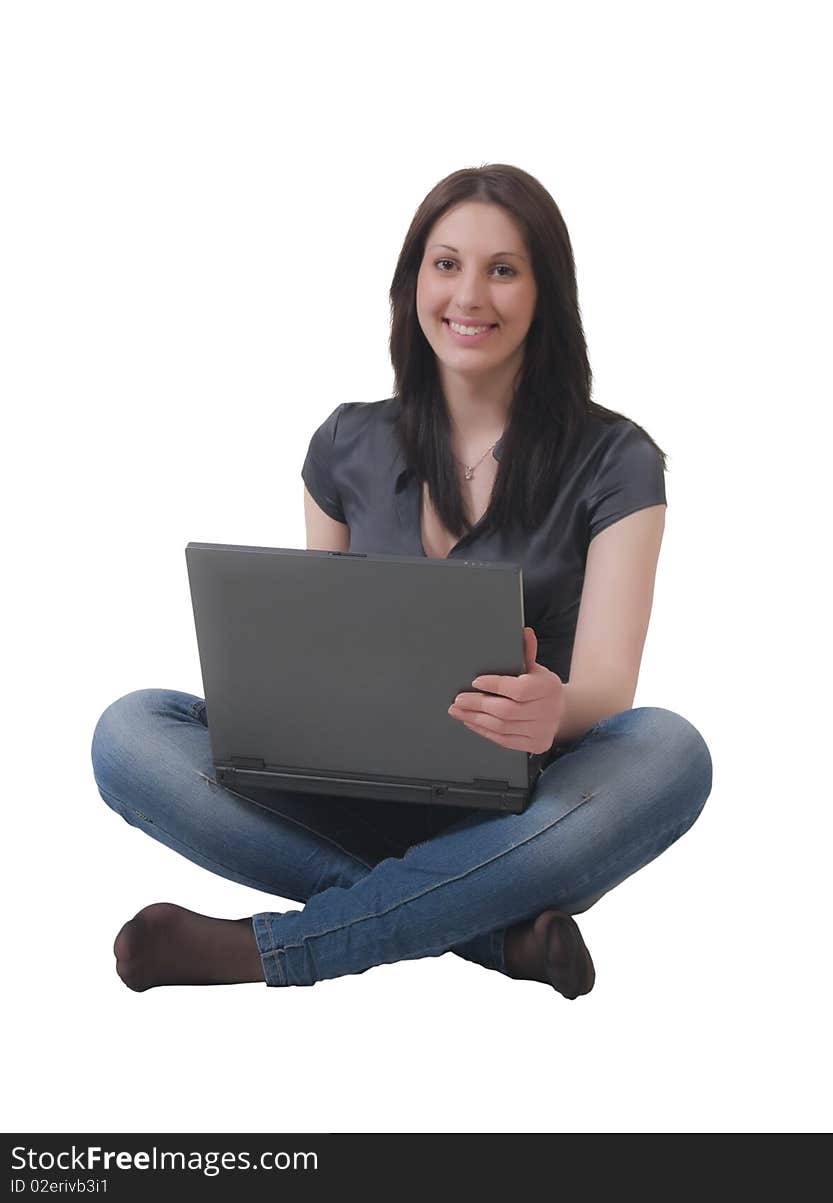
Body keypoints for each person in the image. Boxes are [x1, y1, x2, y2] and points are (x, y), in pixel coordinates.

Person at [91, 163, 713, 1000]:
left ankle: (270, 949)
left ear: (546, 292)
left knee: (672, 749)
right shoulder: (346, 444)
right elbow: (324, 649)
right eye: (446, 264)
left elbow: (607, 685)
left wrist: (551, 705)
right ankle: (496, 937)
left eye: (503, 269)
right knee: (129, 733)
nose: (470, 296)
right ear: (413, 282)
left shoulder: (618, 461)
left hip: (527, 812)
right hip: (359, 796)